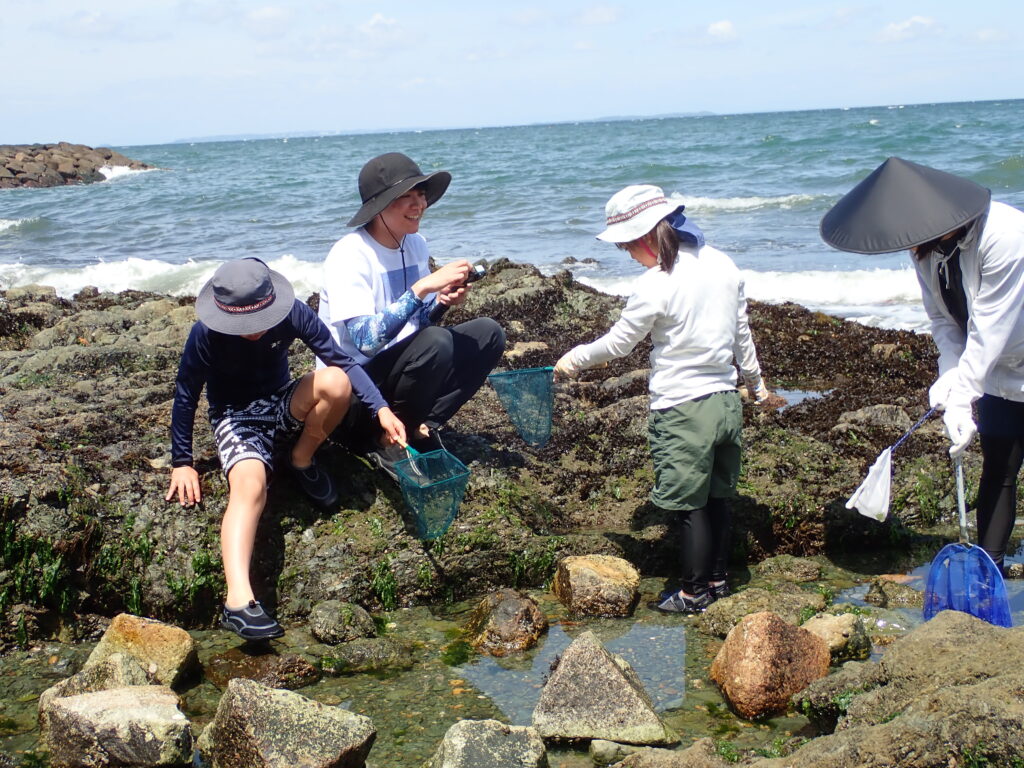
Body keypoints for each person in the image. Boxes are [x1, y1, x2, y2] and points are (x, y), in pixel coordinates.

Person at [554, 184, 780, 614]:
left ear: (642, 239)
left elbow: (620, 344)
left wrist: (574, 359)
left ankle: (693, 594)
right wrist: (757, 384)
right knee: (717, 499)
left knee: (688, 506)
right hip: (726, 403)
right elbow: (742, 334)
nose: (629, 256)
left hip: (682, 409)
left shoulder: (655, 283)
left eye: (626, 249)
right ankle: (718, 581)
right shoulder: (723, 264)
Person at [166, 257, 404, 640]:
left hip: (282, 401)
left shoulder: (292, 312)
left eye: (258, 322)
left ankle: (301, 458)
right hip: (236, 417)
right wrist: (182, 462)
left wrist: (381, 409)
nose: (253, 332)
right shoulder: (205, 334)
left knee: (336, 382)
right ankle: (238, 602)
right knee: (251, 487)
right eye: (243, 325)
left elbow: (339, 358)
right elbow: (185, 395)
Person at [821, 156, 1024, 574]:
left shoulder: (1006, 236)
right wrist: (949, 372)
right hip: (997, 373)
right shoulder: (926, 248)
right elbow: (944, 321)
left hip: (1003, 352)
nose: (909, 244)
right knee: (998, 468)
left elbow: (991, 327)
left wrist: (962, 397)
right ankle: (990, 573)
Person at [318, 152, 505, 478]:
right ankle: (383, 440)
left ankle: (420, 427)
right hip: (353, 395)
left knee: (488, 333)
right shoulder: (350, 255)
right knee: (436, 343)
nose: (418, 204)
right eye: (405, 197)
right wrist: (421, 288)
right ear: (378, 207)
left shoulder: (414, 243)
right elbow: (365, 341)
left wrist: (443, 302)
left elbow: (417, 325)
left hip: (394, 375)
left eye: (421, 195)